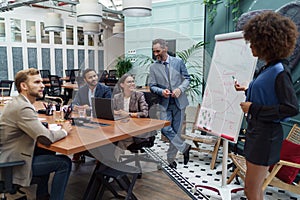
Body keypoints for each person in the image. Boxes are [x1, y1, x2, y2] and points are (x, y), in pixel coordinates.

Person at [235, 11, 299, 200]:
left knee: (251, 190)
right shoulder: (270, 68)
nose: (251, 46)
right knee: (254, 188)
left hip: (265, 136)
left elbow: (291, 108)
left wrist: (253, 108)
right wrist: (247, 89)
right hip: (258, 133)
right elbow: (268, 94)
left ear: (267, 44)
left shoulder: (279, 71)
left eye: (254, 42)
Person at [0, 68, 72, 200]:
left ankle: (42, 196)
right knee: (65, 163)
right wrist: (64, 131)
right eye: (37, 82)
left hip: (8, 155)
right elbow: (46, 138)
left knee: (47, 153)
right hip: (12, 164)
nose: (43, 85)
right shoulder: (23, 108)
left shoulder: (18, 102)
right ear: (24, 86)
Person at [149, 38, 191, 168]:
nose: (155, 54)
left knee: (176, 132)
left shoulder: (178, 62)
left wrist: (180, 89)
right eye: (154, 51)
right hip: (164, 103)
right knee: (165, 128)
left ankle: (170, 159)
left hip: (179, 102)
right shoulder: (153, 67)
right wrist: (162, 91)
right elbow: (151, 86)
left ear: (165, 48)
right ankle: (184, 147)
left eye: (158, 51)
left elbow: (187, 79)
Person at [72, 68, 112, 162]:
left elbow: (107, 107)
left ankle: (100, 157)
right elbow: (73, 104)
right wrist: (77, 107)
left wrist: (89, 108)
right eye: (90, 77)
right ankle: (78, 151)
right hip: (86, 119)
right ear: (85, 80)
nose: (94, 79)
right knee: (77, 130)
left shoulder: (105, 89)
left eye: (95, 76)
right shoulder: (82, 90)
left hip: (101, 119)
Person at [113, 73, 149, 155]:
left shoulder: (139, 95)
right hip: (121, 126)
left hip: (135, 128)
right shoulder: (117, 97)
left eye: (133, 81)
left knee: (118, 140)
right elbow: (111, 110)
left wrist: (128, 114)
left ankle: (115, 162)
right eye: (129, 82)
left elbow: (145, 113)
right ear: (122, 85)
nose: (132, 84)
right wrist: (116, 112)